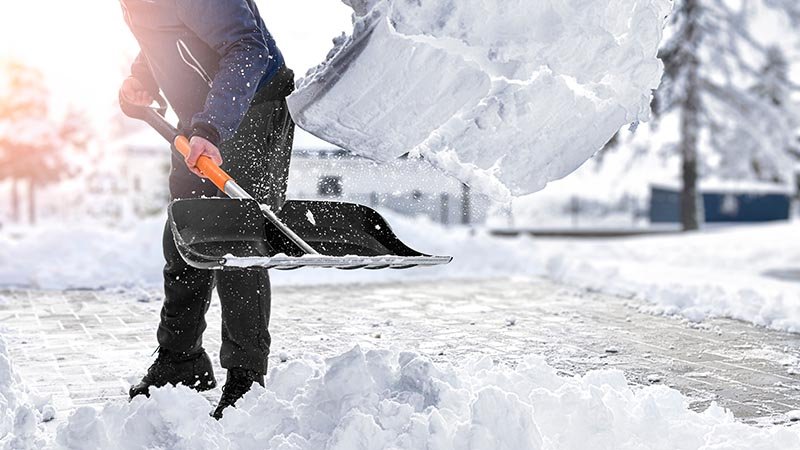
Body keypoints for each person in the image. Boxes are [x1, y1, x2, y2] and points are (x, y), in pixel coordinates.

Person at [118, 0, 294, 419]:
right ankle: (181, 362)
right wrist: (140, 80)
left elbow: (249, 47)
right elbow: (166, 35)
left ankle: (246, 381)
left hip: (252, 107)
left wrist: (211, 126)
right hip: (199, 119)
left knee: (236, 244)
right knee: (184, 234)